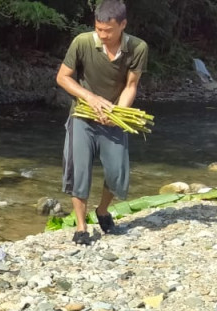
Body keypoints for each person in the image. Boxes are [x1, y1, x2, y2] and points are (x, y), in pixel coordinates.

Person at [56, 0, 148, 245]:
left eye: (108, 30)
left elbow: (131, 85)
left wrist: (118, 112)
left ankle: (103, 210)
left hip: (114, 117)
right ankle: (81, 226)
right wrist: (91, 97)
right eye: (99, 29)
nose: (103, 35)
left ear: (123, 25)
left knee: (117, 173)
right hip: (82, 115)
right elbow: (63, 77)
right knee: (80, 172)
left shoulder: (138, 48)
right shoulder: (83, 42)